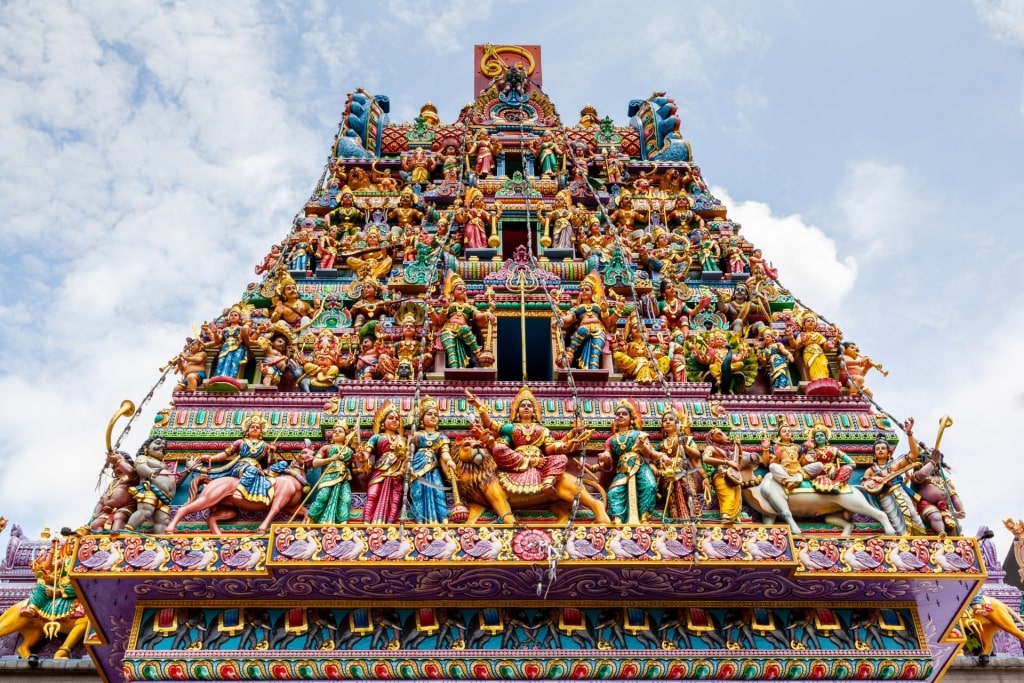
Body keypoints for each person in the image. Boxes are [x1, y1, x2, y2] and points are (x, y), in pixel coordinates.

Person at [466, 385, 587, 496]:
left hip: (541, 461)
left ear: (534, 411)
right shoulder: (512, 428)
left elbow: (550, 449)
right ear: (517, 411)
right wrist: (479, 406)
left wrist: (565, 445)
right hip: (518, 461)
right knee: (499, 448)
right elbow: (490, 424)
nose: (526, 408)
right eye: (523, 406)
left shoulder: (542, 430)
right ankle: (530, 463)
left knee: (561, 458)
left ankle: (548, 482)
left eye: (529, 406)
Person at [599, 399, 668, 524]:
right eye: (618, 414)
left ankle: (644, 517)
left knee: (650, 486)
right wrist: (604, 458)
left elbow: (651, 454)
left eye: (624, 414)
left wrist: (660, 455)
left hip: (640, 466)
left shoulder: (639, 434)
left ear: (631, 418)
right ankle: (617, 519)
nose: (620, 415)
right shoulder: (611, 440)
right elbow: (608, 459)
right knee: (614, 492)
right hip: (623, 468)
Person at [204, 414, 288, 505]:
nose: (255, 428)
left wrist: (272, 452)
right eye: (252, 427)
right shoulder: (240, 442)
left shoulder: (265, 445)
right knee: (252, 469)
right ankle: (240, 491)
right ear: (247, 430)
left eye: (257, 427)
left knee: (283, 463)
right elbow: (225, 454)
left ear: (261, 432)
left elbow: (271, 463)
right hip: (241, 466)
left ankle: (266, 480)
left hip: (258, 469)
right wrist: (210, 458)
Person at [555, 271, 623, 370]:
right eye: (581, 290)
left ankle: (593, 371)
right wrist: (559, 318)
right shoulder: (577, 308)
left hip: (599, 330)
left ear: (592, 292)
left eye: (587, 289)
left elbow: (608, 323)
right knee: (582, 331)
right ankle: (569, 353)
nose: (583, 291)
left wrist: (614, 310)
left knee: (595, 352)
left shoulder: (598, 306)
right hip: (584, 328)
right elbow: (569, 318)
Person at [906, 425, 965, 534]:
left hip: (946, 508)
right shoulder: (919, 475)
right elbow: (922, 474)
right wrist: (932, 462)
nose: (936, 465)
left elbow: (953, 495)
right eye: (932, 461)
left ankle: (953, 542)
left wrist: (961, 510)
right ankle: (941, 535)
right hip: (926, 506)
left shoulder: (942, 478)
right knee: (936, 516)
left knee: (953, 525)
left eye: (938, 463)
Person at [430, 272, 495, 369]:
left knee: (465, 329)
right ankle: (455, 371)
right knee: (451, 353)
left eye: (464, 290)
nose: (463, 291)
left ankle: (478, 353)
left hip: (462, 330)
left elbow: (478, 316)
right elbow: (439, 322)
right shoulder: (450, 305)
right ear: (453, 292)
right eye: (459, 289)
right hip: (448, 330)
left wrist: (487, 313)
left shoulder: (469, 307)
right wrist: (443, 308)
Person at [358, 401, 408, 524]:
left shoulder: (403, 439)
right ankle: (366, 521)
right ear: (383, 422)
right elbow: (367, 451)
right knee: (373, 494)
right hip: (380, 469)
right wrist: (363, 455)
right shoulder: (377, 437)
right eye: (391, 418)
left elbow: (407, 457)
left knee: (395, 498)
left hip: (397, 471)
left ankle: (390, 522)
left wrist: (402, 471)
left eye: (397, 419)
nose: (395, 420)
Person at [409, 396, 455, 524]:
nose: (433, 416)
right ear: (422, 418)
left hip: (433, 469)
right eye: (429, 414)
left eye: (436, 414)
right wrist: (408, 468)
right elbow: (408, 454)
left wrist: (449, 460)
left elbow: (444, 452)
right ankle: (420, 521)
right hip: (417, 468)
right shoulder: (416, 435)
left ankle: (443, 521)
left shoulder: (441, 437)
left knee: (438, 492)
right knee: (418, 493)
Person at [702, 426, 758, 524]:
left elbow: (738, 464)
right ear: (711, 437)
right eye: (719, 434)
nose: (725, 437)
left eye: (723, 434)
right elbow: (705, 459)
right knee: (728, 495)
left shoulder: (726, 452)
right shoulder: (710, 447)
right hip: (720, 474)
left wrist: (739, 448)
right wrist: (727, 463)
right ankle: (726, 515)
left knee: (736, 496)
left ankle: (735, 516)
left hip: (732, 475)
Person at [658, 407, 705, 521]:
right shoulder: (661, 444)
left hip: (683, 472)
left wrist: (685, 447)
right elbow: (655, 460)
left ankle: (694, 517)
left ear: (678, 423)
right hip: (668, 473)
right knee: (672, 498)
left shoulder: (685, 439)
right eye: (665, 420)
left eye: (671, 419)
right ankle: (677, 519)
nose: (668, 422)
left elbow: (697, 455)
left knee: (689, 492)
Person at [305, 422, 357, 525]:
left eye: (340, 431)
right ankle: (310, 519)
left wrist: (363, 469)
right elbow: (315, 463)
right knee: (323, 497)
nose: (337, 433)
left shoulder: (350, 451)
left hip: (344, 477)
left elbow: (354, 470)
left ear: (346, 435)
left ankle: (343, 523)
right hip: (329, 476)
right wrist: (329, 459)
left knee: (345, 499)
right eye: (335, 432)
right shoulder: (326, 448)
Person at [801, 421, 854, 494]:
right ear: (815, 440)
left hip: (835, 474)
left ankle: (837, 485)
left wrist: (850, 464)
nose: (819, 437)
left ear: (826, 438)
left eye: (821, 435)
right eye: (817, 436)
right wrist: (809, 448)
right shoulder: (813, 451)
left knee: (848, 468)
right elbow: (804, 464)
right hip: (820, 475)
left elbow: (851, 462)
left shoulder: (834, 450)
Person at [612, 313, 661, 383]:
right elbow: (624, 358)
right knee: (617, 355)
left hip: (648, 364)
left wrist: (659, 353)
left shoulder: (648, 346)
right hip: (634, 365)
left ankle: (647, 371)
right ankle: (644, 369)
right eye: (635, 328)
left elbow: (654, 358)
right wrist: (624, 351)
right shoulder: (629, 344)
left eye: (640, 327)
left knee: (665, 359)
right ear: (630, 332)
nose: (638, 329)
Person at [789, 312, 835, 382]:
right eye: (808, 321)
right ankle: (815, 380)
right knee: (813, 367)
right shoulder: (802, 334)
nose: (811, 322)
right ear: (804, 324)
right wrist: (802, 341)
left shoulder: (818, 335)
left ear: (815, 324)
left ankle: (824, 380)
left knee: (823, 365)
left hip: (820, 353)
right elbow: (796, 346)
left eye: (813, 321)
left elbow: (824, 347)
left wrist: (828, 345)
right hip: (809, 352)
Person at [211, 306, 251, 379]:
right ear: (228, 318)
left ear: (239, 319)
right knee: (221, 361)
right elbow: (218, 340)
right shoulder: (225, 329)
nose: (233, 317)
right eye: (231, 315)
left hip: (238, 347)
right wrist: (214, 333)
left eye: (235, 315)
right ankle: (219, 377)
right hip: (225, 346)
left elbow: (247, 339)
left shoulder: (242, 328)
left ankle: (232, 378)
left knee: (234, 362)